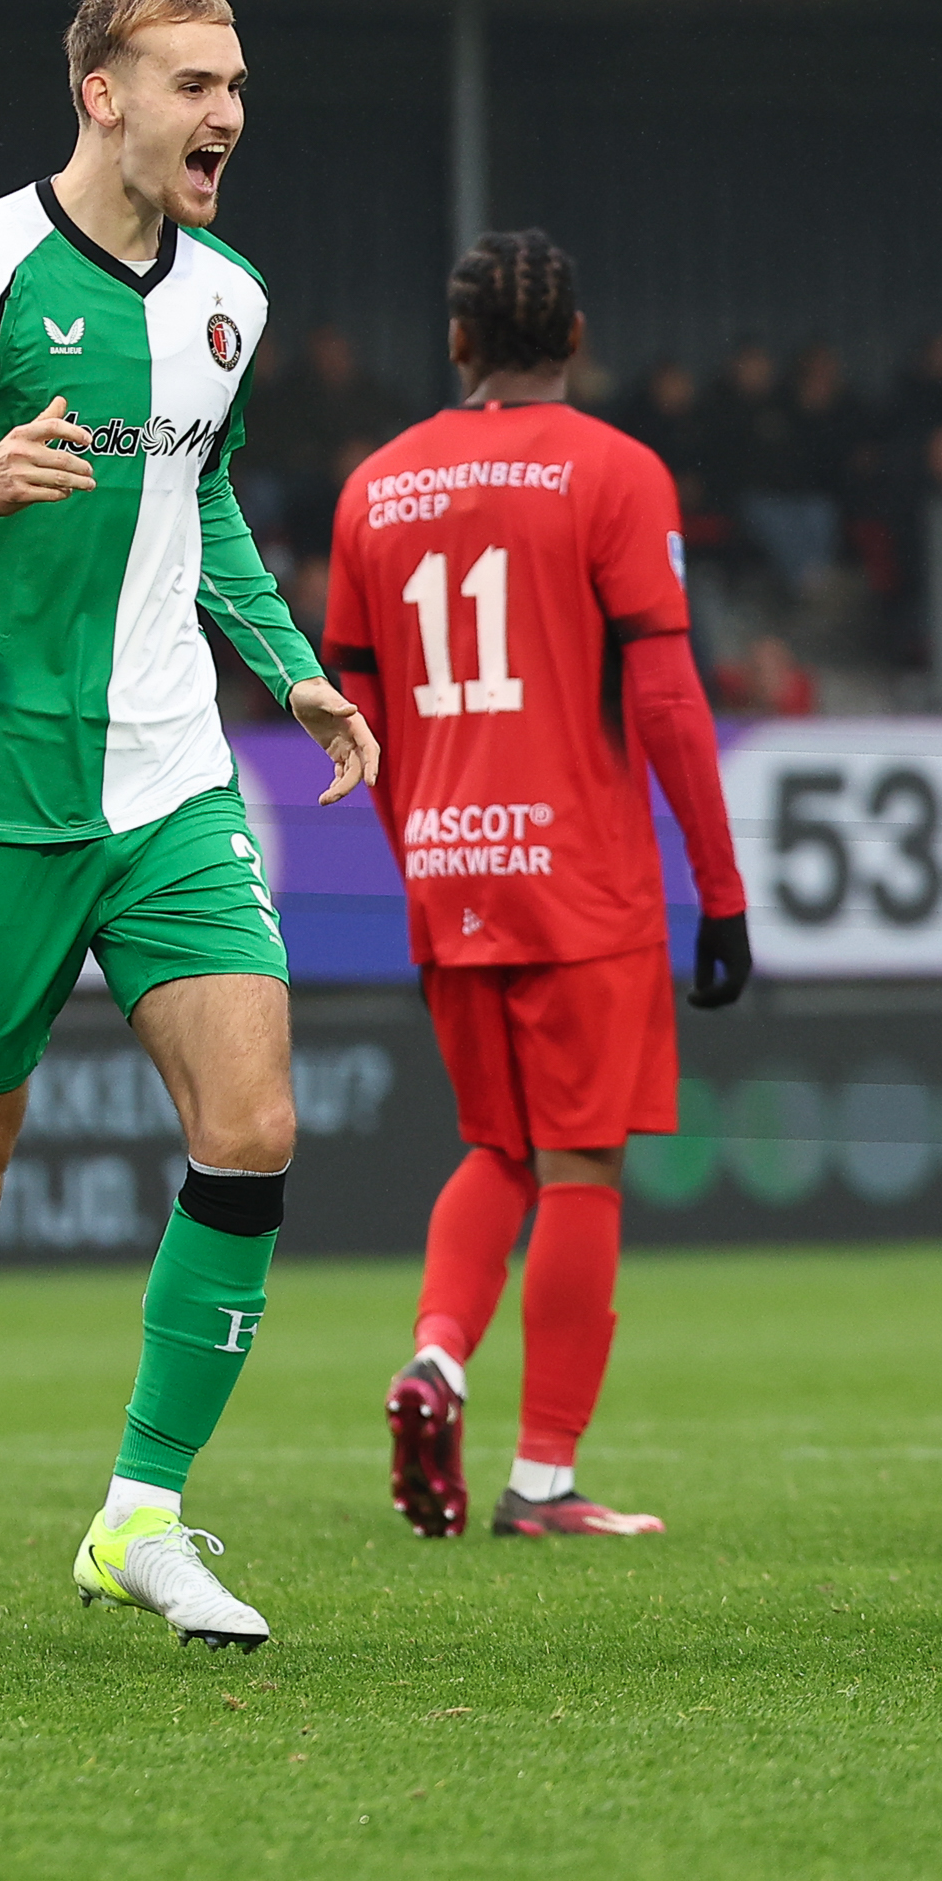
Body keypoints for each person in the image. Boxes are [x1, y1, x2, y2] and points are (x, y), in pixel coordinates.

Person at [0, 0, 380, 1667]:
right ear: (100, 93)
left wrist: (289, 669)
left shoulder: (229, 298)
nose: (224, 114)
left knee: (255, 1119)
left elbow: (194, 494)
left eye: (238, 84)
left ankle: (139, 1510)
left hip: (168, 779)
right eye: (192, 82)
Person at [324, 231, 752, 1543]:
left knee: (494, 1145)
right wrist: (719, 890)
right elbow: (669, 698)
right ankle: (543, 1480)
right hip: (577, 872)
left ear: (456, 344)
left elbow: (351, 700)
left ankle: (438, 1356)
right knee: (578, 1164)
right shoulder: (614, 472)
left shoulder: (374, 486)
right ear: (573, 338)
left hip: (448, 867)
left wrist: (421, 843)